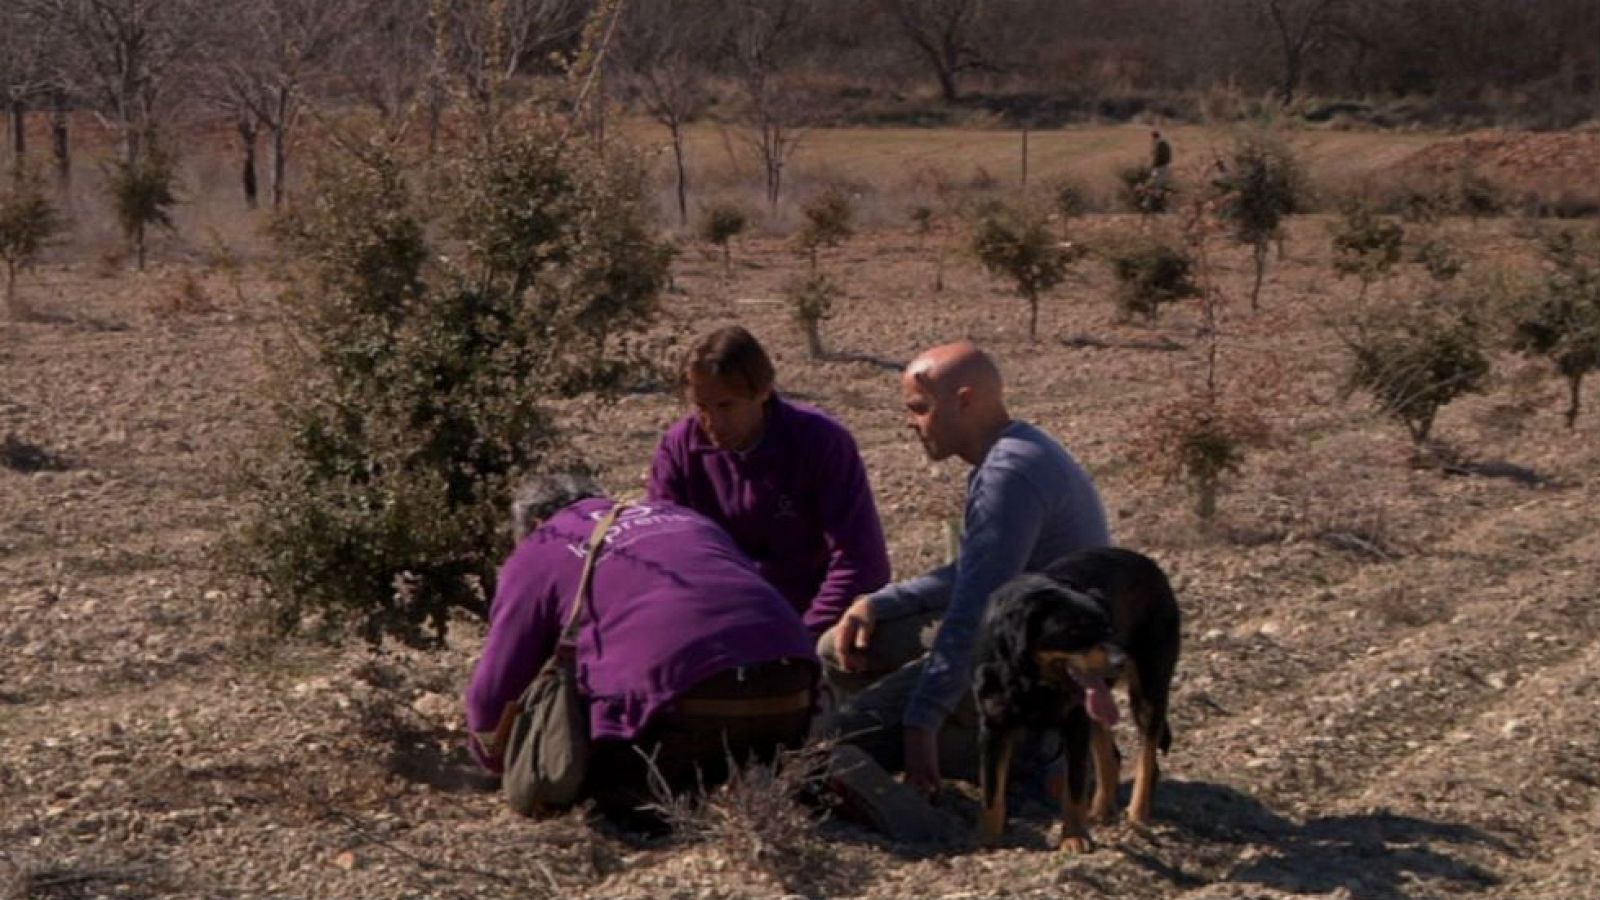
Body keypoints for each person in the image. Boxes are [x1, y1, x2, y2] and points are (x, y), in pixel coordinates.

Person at [817, 341, 1111, 798]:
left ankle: (1041, 757)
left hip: (1040, 663)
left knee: (832, 748)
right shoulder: (1017, 452)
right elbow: (975, 572)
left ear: (965, 401)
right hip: (1023, 642)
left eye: (919, 408)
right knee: (842, 647)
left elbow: (976, 609)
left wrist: (922, 719)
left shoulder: (1008, 473)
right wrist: (876, 602)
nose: (910, 422)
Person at [465, 473, 818, 823]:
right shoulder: (686, 518)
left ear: (538, 523)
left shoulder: (546, 541)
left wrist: (500, 761)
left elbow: (494, 690)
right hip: (790, 695)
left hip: (677, 719)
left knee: (590, 791)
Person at [648, 326, 891, 636]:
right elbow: (666, 549)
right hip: (718, 621)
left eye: (726, 406)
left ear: (762, 391)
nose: (713, 423)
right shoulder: (681, 447)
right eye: (701, 408)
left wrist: (802, 637)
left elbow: (860, 561)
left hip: (809, 617)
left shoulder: (819, 442)